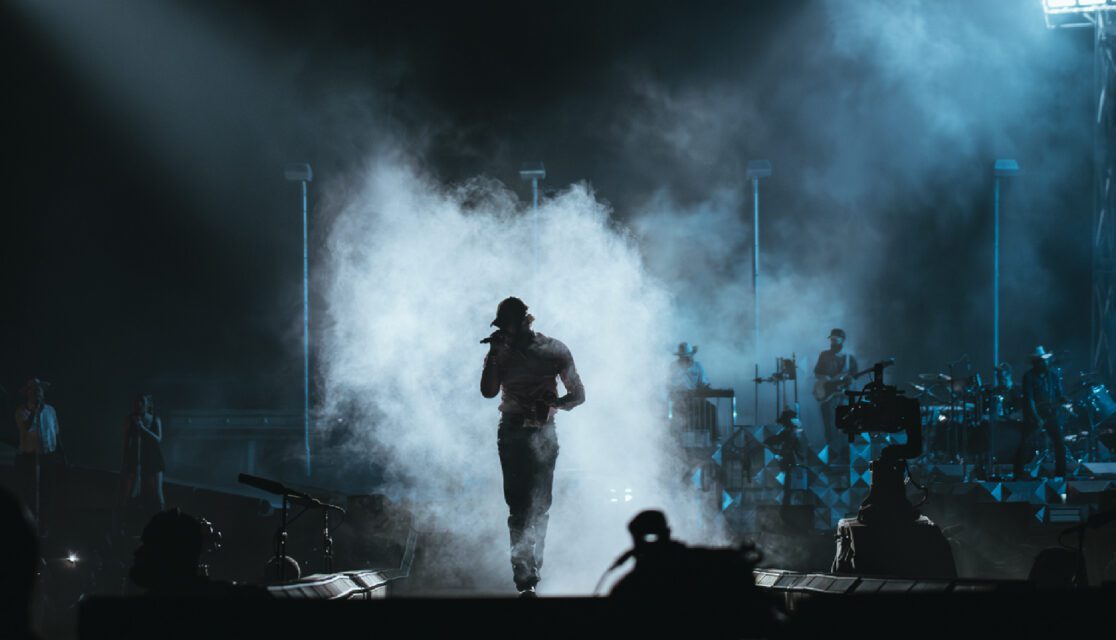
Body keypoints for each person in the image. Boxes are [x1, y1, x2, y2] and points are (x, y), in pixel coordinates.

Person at [480, 296, 585, 597]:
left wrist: (554, 404)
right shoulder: (502, 351)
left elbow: (578, 394)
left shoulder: (554, 349)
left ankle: (534, 566)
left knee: (540, 505)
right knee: (518, 507)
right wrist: (493, 354)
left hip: (543, 432)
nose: (504, 331)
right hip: (512, 431)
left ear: (523, 322)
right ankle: (525, 578)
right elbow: (488, 392)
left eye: (507, 326)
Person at [13, 378, 63, 532]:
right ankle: (29, 523)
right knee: (30, 490)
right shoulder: (22, 411)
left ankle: (44, 524)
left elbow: (56, 432)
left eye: (39, 390)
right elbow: (25, 428)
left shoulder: (50, 410)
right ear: (28, 393)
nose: (37, 393)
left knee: (47, 490)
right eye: (34, 390)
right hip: (29, 456)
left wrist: (62, 453)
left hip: (47, 455)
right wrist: (34, 413)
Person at [1021, 346, 1069, 478]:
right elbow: (1029, 399)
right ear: (1035, 362)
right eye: (1041, 360)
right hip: (1034, 416)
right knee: (1025, 444)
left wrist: (1063, 399)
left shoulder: (1053, 376)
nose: (1045, 363)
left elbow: (1060, 395)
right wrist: (1037, 418)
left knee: (1059, 443)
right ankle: (1018, 473)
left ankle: (1061, 474)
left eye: (1045, 360)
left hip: (1050, 415)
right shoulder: (1029, 377)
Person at [813, 329, 859, 462]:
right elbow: (816, 373)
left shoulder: (850, 358)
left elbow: (855, 376)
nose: (832, 341)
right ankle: (831, 454)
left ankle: (846, 455)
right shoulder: (824, 355)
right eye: (831, 339)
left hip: (843, 396)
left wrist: (849, 380)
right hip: (827, 396)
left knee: (844, 424)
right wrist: (826, 378)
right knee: (829, 425)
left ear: (842, 340)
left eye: (835, 339)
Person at [120, 394, 166, 523]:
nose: (139, 407)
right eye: (136, 405)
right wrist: (123, 462)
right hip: (137, 459)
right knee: (131, 491)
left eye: (141, 404)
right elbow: (125, 442)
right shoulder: (130, 420)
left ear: (147, 406)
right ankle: (125, 523)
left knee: (158, 493)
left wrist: (143, 428)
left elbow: (159, 439)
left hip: (154, 458)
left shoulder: (155, 419)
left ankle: (164, 523)